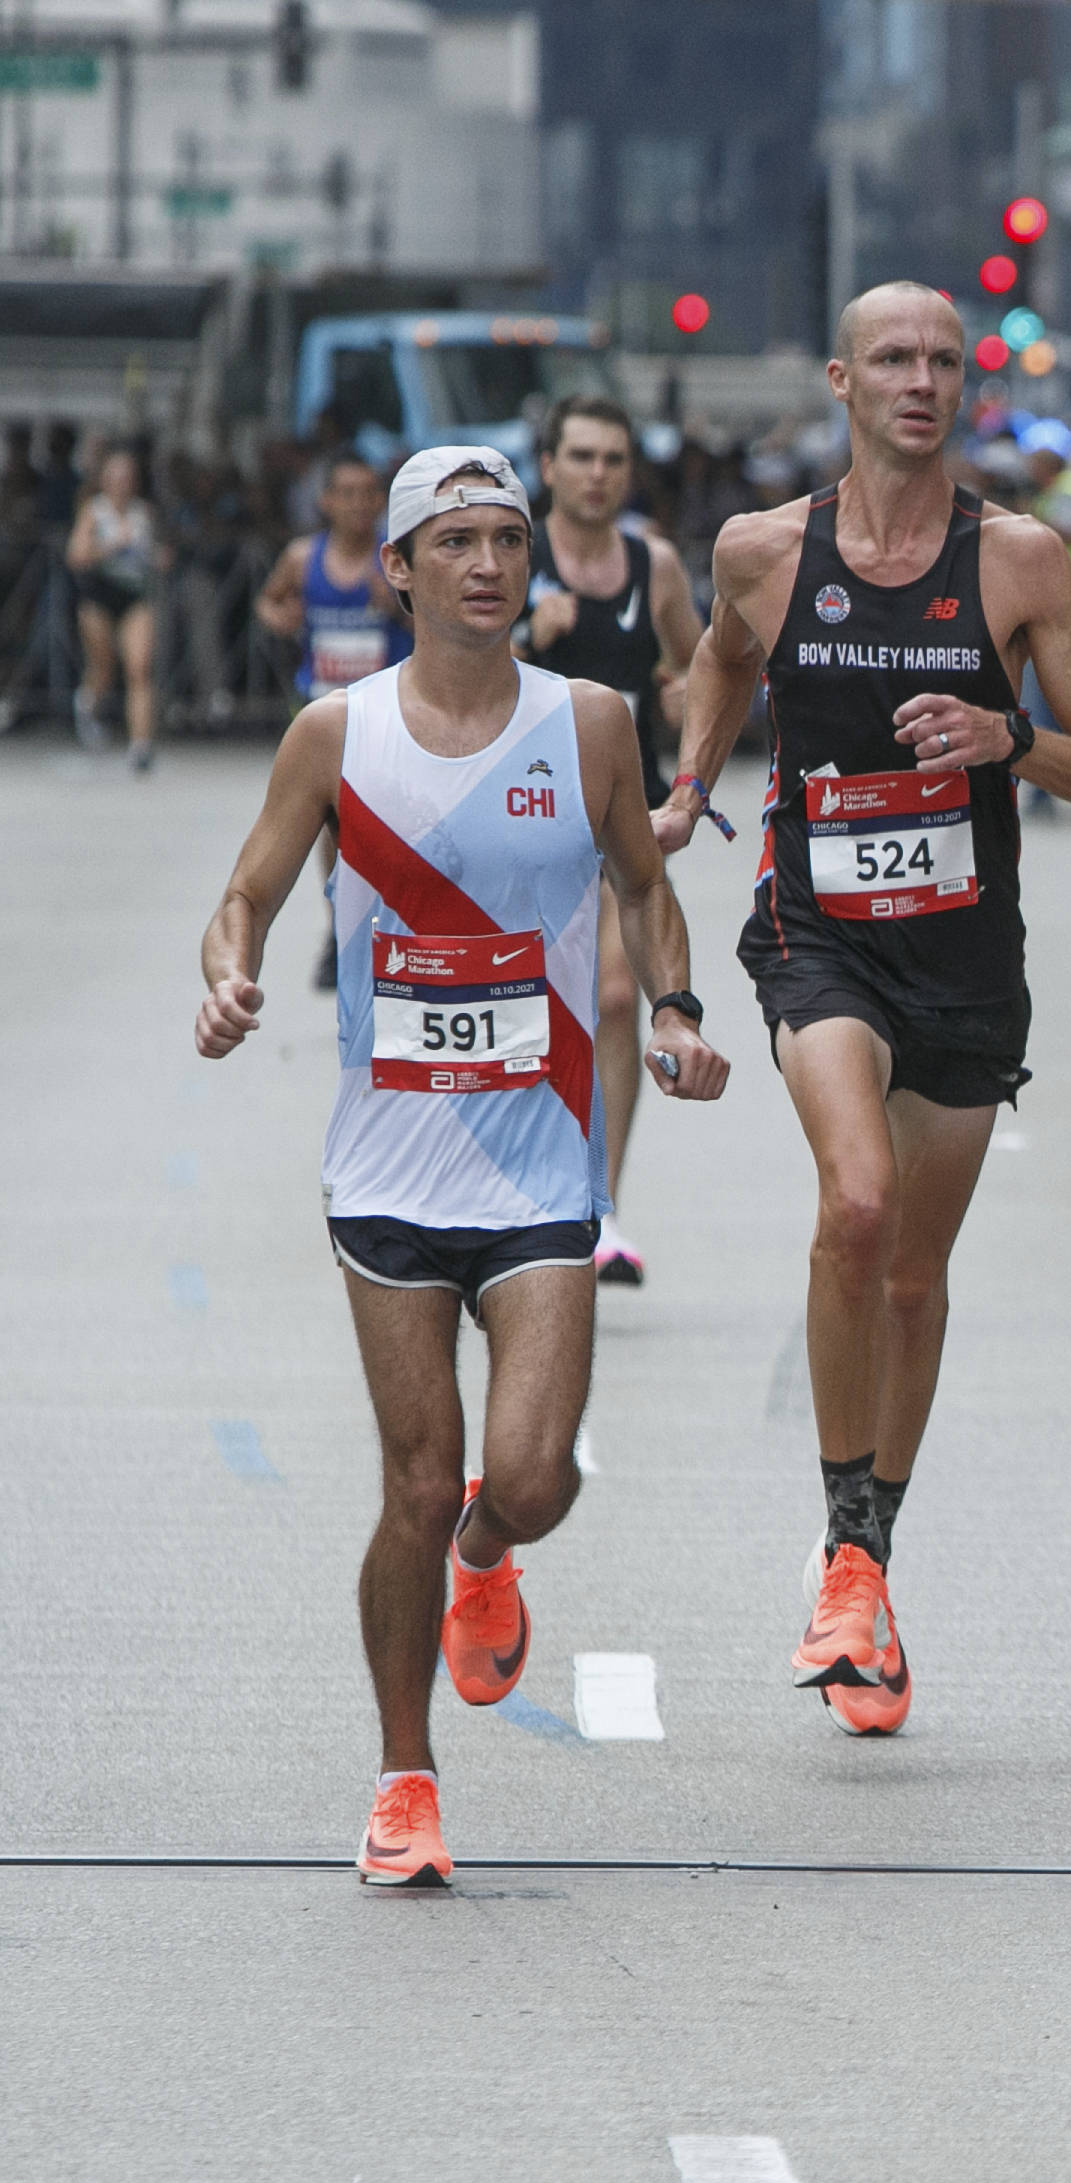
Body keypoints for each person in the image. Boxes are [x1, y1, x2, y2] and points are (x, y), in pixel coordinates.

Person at [190, 446, 730, 1888]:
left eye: (509, 538)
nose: (492, 563)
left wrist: (672, 1012)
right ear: (403, 570)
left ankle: (492, 1557)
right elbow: (243, 896)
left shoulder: (592, 723)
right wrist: (229, 979)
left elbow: (645, 889)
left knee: (531, 1478)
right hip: (385, 1169)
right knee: (416, 1484)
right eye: (460, 541)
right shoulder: (336, 733)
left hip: (544, 1162)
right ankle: (404, 1775)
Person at [663, 282, 1071, 1736]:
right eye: (893, 359)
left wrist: (1012, 739)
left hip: (963, 962)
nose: (921, 381)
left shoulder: (1018, 561)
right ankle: (845, 1546)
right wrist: (693, 780)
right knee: (857, 1207)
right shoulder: (765, 552)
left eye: (944, 360)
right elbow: (720, 664)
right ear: (839, 380)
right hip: (818, 938)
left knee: (916, 1281)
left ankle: (871, 1555)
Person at [522, 394, 703, 1289]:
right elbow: (433, 669)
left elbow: (708, 668)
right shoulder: (507, 554)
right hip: (512, 818)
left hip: (615, 817)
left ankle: (600, 1207)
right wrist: (522, 636)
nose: (598, 474)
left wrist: (684, 705)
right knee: (525, 1000)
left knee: (621, 999)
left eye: (614, 459)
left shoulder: (653, 564)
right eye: (582, 456)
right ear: (547, 465)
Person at [258, 452, 408, 705]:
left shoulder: (399, 557)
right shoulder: (301, 557)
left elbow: (435, 624)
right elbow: (266, 602)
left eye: (368, 493)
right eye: (348, 493)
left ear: (381, 501)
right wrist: (281, 618)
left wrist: (397, 609)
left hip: (386, 703)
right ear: (326, 501)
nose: (359, 503)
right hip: (318, 700)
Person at [67, 444, 163, 769]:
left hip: (135, 595)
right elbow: (76, 556)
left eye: (127, 477)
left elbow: (153, 553)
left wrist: (159, 558)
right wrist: (111, 545)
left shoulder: (143, 513)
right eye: (116, 476)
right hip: (98, 596)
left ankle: (141, 745)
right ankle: (88, 702)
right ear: (105, 480)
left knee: (139, 667)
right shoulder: (94, 511)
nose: (122, 483)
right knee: (104, 666)